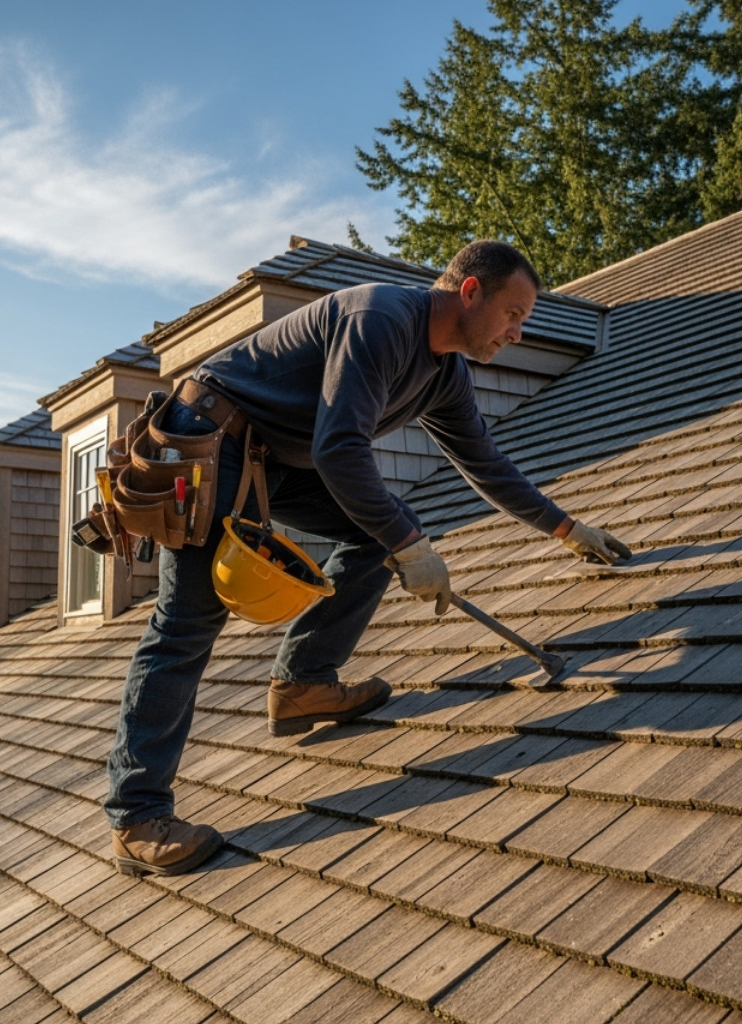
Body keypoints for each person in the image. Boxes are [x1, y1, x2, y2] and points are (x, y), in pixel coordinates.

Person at [106, 240, 631, 876]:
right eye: (512, 314)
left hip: (271, 457)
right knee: (187, 623)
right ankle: (137, 817)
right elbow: (339, 448)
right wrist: (411, 545)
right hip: (210, 439)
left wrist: (567, 529)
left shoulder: (445, 374)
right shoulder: (380, 319)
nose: (516, 334)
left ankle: (304, 684)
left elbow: (484, 463)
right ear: (470, 293)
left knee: (377, 532)